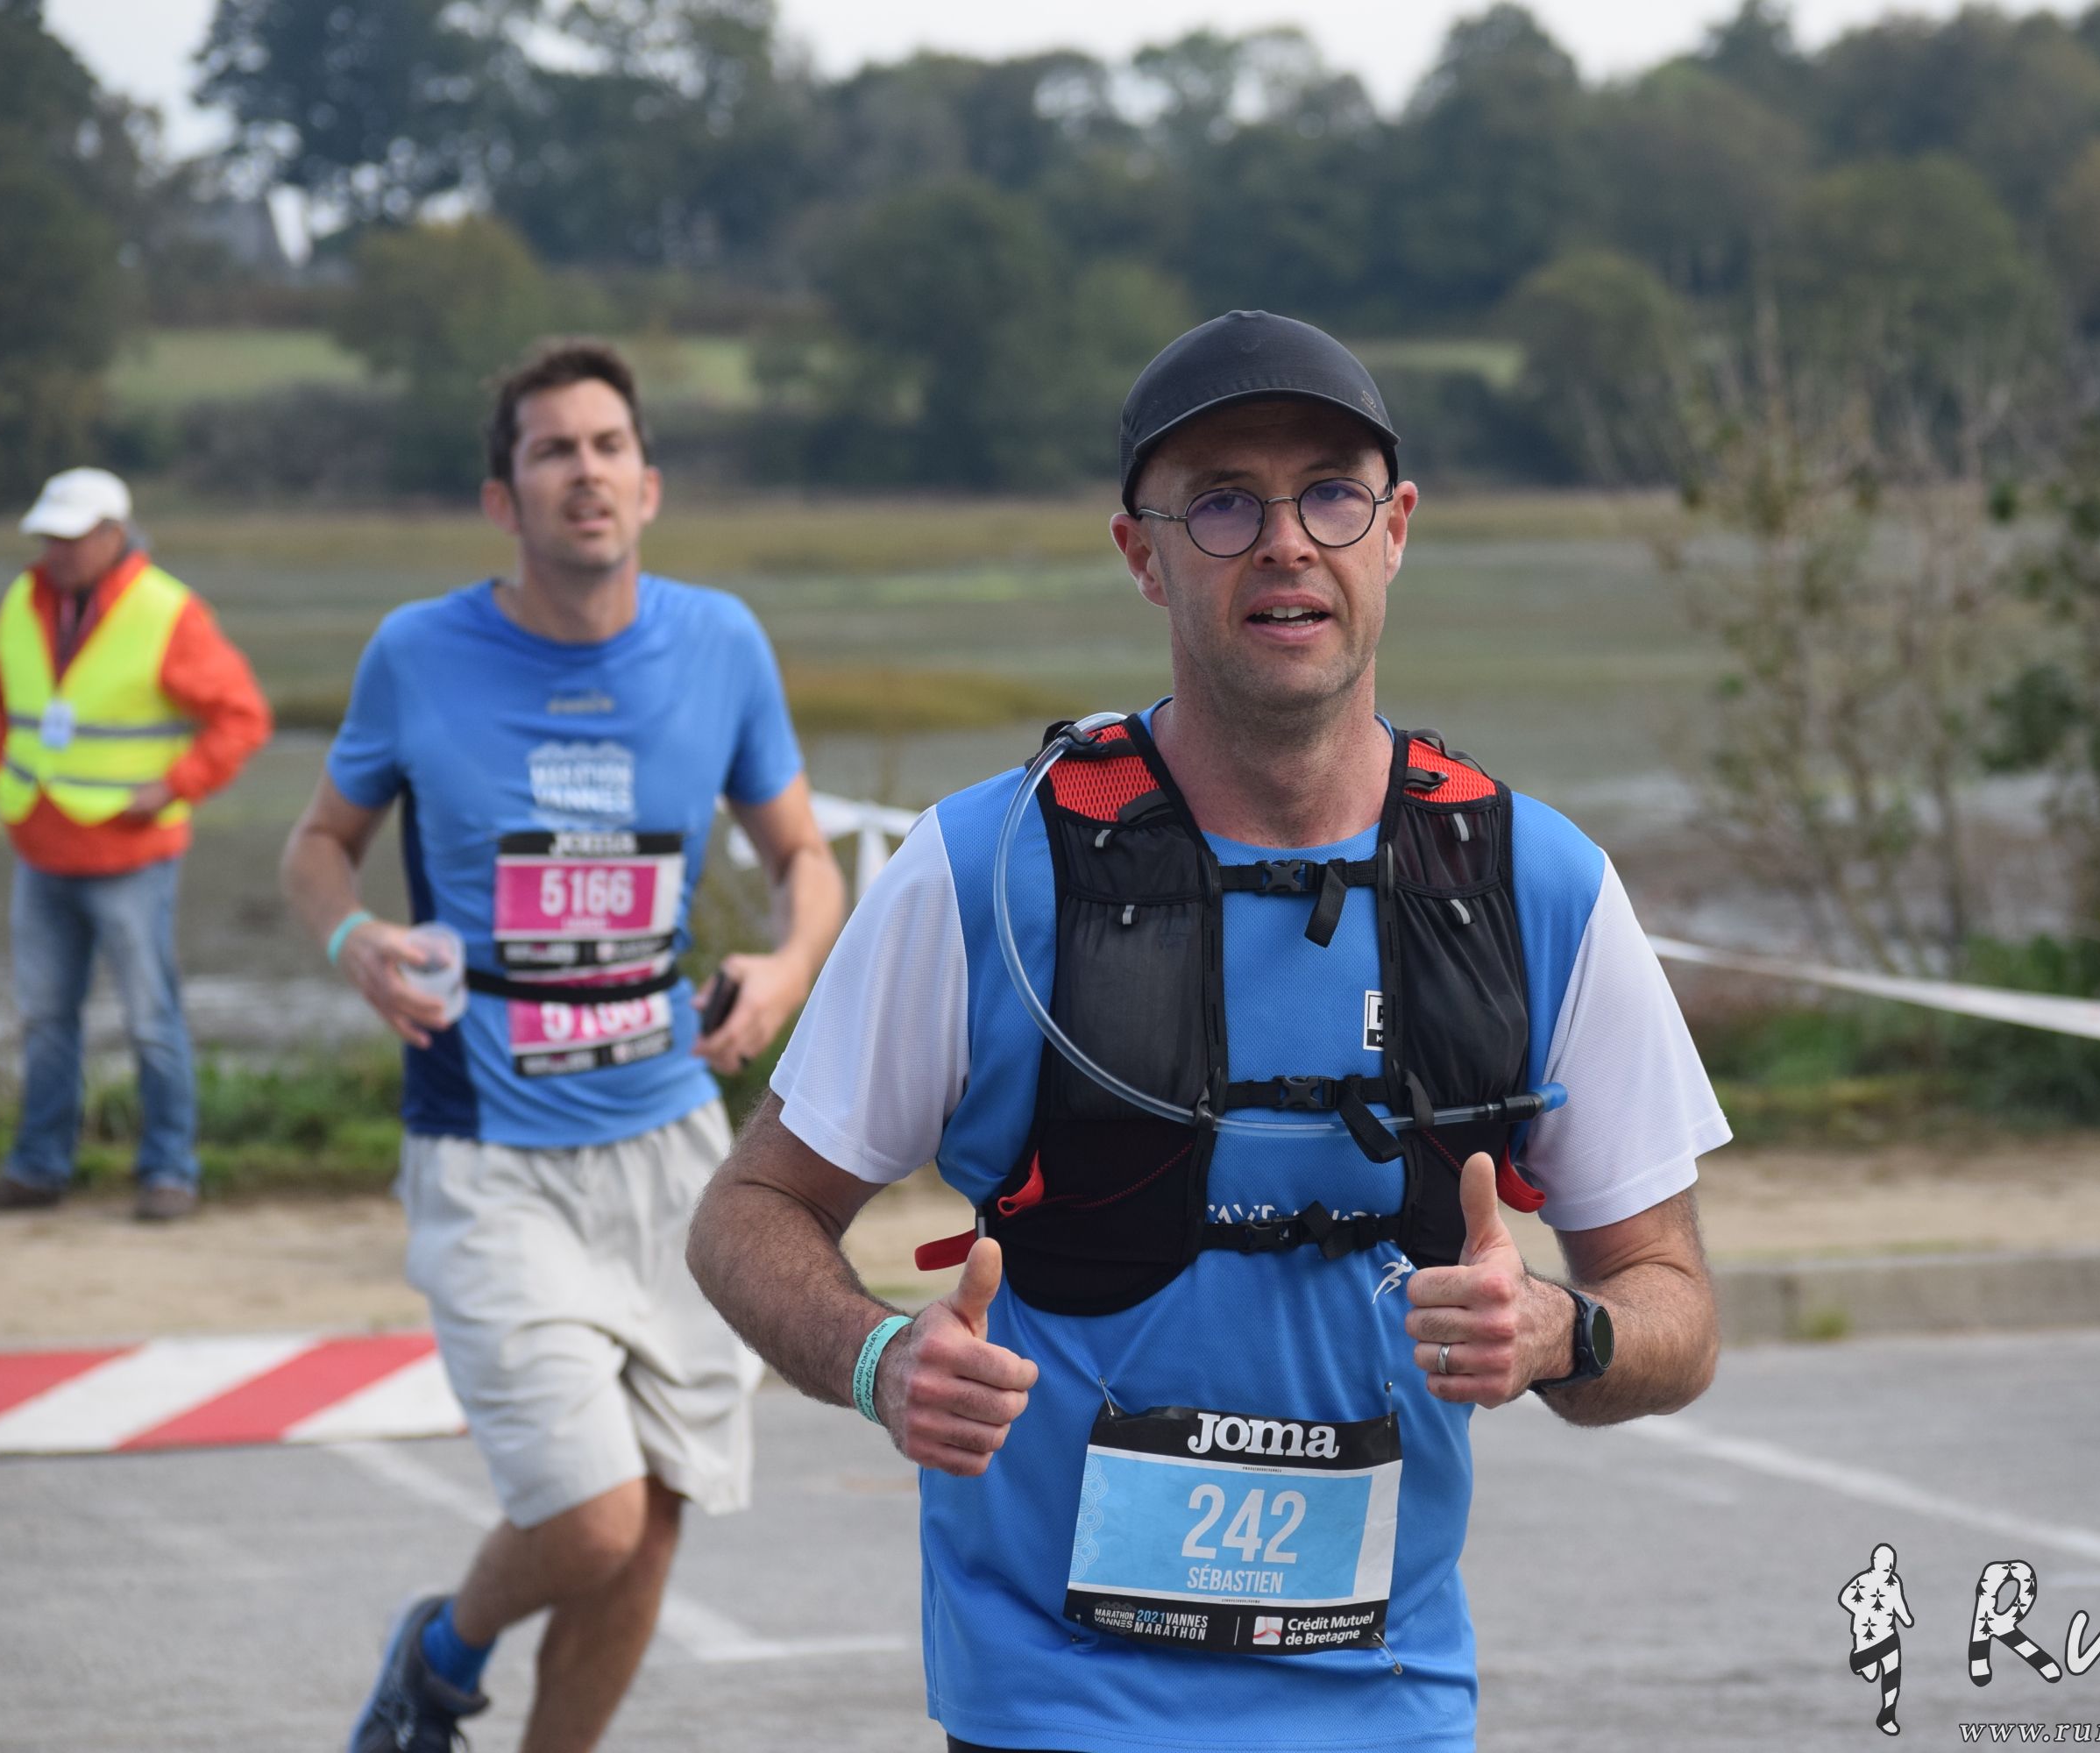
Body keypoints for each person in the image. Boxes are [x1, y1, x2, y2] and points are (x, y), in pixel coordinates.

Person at [689, 309, 1728, 1753]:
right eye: (1224, 503)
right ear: (1143, 553)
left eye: (1330, 495)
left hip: (1388, 1705)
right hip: (1054, 1704)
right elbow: (749, 1212)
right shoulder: (985, 870)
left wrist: (1564, 1330)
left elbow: (1676, 1309)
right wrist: (879, 1361)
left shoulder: (1533, 882)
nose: (1285, 543)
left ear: (1395, 532)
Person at [280, 340, 846, 1753]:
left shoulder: (721, 645)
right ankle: (438, 1656)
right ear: (504, 498)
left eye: (607, 447)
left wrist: (785, 968)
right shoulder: (418, 653)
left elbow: (805, 862)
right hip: (490, 1159)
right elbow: (318, 847)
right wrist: (356, 942)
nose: (583, 473)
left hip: (675, 1156)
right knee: (590, 1516)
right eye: (551, 451)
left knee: (651, 1530)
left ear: (647, 486)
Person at [0, 467, 272, 1223]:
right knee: (44, 1020)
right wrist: (2, 782)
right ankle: (38, 1168)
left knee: (150, 1021)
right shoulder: (21, 600)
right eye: (48, 537)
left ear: (113, 535)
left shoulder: (167, 610)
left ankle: (169, 1172)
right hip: (40, 847)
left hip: (131, 857)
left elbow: (242, 716)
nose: (56, 551)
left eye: (71, 538)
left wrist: (175, 785)